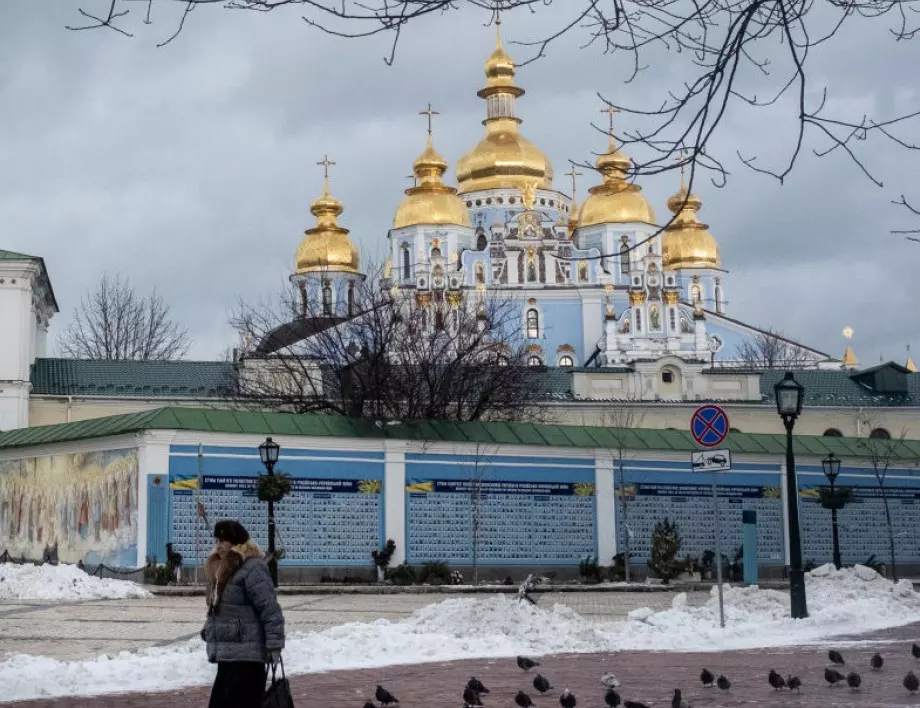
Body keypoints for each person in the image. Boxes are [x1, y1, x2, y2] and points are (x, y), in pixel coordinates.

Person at [202, 520, 285, 708]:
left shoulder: (252, 568)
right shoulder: (222, 568)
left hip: (247, 657)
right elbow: (222, 609)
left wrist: (274, 644)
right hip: (228, 655)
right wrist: (209, 629)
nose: (218, 545)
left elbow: (270, 609)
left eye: (223, 541)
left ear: (236, 542)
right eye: (216, 540)